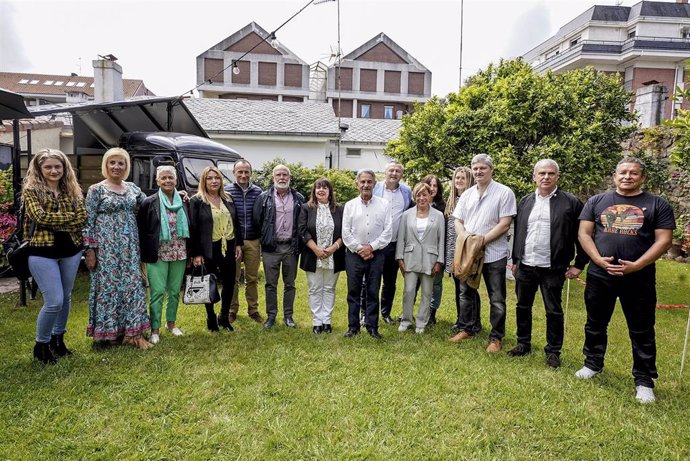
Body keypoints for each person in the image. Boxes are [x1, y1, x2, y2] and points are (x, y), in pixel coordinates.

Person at [576, 157, 674, 404]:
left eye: (633, 173)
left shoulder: (657, 204)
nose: (627, 177)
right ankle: (593, 363)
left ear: (642, 177)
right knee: (595, 323)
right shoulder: (597, 201)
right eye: (623, 172)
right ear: (614, 175)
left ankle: (644, 380)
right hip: (600, 275)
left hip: (638, 277)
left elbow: (664, 240)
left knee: (641, 329)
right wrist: (597, 260)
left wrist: (638, 265)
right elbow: (584, 233)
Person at [507, 159, 589, 368]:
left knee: (553, 310)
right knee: (522, 306)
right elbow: (518, 233)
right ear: (534, 177)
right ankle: (523, 343)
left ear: (557, 177)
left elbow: (583, 235)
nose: (546, 177)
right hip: (525, 265)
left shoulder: (571, 203)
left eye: (551, 173)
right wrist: (515, 259)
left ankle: (553, 351)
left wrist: (579, 263)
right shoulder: (525, 201)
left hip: (553, 268)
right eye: (541, 173)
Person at [84, 148, 152, 349]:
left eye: (121, 163)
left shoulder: (132, 188)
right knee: (108, 288)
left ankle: (130, 332)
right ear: (105, 165)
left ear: (126, 166)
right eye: (112, 162)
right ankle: (106, 334)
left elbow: (150, 204)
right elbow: (88, 221)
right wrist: (90, 250)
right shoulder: (97, 190)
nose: (116, 166)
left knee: (132, 287)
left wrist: (174, 193)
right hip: (106, 249)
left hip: (130, 248)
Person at [22, 149, 86, 364]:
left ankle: (58, 340)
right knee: (54, 301)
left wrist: (58, 219)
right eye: (48, 166)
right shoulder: (31, 191)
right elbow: (39, 217)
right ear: (39, 169)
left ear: (64, 167)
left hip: (71, 251)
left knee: (66, 297)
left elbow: (82, 219)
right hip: (42, 251)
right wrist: (69, 218)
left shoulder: (72, 190)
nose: (54, 170)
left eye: (57, 166)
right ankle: (41, 345)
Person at [449, 154, 516, 353]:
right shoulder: (467, 194)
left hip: (493, 253)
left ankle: (496, 337)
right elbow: (458, 220)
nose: (478, 172)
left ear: (491, 170)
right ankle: (466, 328)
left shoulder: (504, 192)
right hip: (468, 252)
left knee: (496, 297)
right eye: (475, 168)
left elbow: (505, 224)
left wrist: (481, 241)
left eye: (482, 168)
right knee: (465, 292)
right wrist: (467, 241)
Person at [137, 165, 190, 344]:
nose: (167, 181)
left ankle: (171, 324)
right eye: (164, 178)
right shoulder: (149, 202)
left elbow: (193, 226)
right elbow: (142, 231)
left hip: (179, 252)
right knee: (157, 292)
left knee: (175, 291)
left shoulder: (184, 200)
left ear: (176, 180)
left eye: (171, 178)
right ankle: (155, 329)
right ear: (157, 181)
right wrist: (141, 258)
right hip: (157, 253)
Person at [189, 166, 243, 332]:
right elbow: (194, 228)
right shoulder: (197, 200)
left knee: (229, 283)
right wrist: (196, 253)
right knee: (208, 284)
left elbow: (236, 222)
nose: (214, 181)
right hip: (208, 248)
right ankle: (211, 316)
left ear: (221, 180)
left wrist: (239, 244)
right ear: (203, 181)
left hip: (228, 245)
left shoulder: (228, 198)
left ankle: (224, 317)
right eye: (209, 178)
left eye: (217, 178)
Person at [342, 169, 392, 339]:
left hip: (376, 254)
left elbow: (387, 232)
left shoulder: (384, 204)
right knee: (353, 292)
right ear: (357, 184)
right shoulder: (349, 205)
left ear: (374, 184)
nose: (366, 185)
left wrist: (371, 247)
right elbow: (345, 233)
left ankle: (372, 327)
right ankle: (353, 326)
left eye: (369, 182)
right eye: (362, 182)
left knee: (373, 291)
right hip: (354, 255)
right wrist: (360, 249)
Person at [253, 164, 304, 329]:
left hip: (290, 248)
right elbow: (257, 221)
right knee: (270, 284)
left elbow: (302, 223)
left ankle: (288, 317)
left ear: (289, 178)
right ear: (273, 177)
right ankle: (271, 316)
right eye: (278, 175)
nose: (282, 178)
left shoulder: (299, 198)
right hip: (271, 248)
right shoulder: (263, 197)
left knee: (290, 284)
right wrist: (265, 239)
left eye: (285, 175)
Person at [298, 178, 345, 334]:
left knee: (329, 288)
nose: (321, 190)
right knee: (315, 288)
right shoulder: (306, 208)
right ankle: (317, 321)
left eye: (325, 187)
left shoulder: (339, 209)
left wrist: (333, 247)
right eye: (318, 187)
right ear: (314, 190)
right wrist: (316, 249)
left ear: (330, 191)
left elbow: (345, 232)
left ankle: (327, 321)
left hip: (334, 255)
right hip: (312, 255)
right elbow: (302, 230)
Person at [396, 183, 445, 334]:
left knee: (427, 292)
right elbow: (401, 239)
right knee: (409, 291)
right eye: (418, 195)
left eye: (425, 195)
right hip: (410, 258)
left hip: (430, 260)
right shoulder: (407, 215)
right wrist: (400, 258)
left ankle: (421, 323)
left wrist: (439, 261)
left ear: (430, 196)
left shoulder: (439, 215)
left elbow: (441, 240)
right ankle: (406, 320)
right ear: (414, 197)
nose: (421, 198)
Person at [371, 161, 412, 324]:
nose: (394, 173)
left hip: (395, 243)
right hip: (376, 243)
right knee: (372, 279)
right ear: (384, 172)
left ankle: (385, 313)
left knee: (390, 281)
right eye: (391, 170)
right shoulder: (376, 189)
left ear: (402, 174)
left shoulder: (406, 191)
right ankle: (366, 313)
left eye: (398, 171)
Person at [225, 160, 264, 325]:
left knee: (252, 278)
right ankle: (232, 310)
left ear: (251, 173)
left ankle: (253, 310)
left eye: (246, 172)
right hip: (234, 242)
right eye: (240, 172)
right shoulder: (226, 191)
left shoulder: (258, 192)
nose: (243, 175)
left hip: (254, 241)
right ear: (234, 173)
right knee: (232, 278)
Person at [444, 166, 476, 333]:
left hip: (467, 250)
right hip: (452, 250)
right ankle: (461, 318)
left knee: (468, 288)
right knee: (459, 287)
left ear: (470, 180)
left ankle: (470, 322)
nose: (459, 181)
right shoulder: (452, 201)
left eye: (463, 178)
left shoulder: (472, 199)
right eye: (457, 178)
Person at [421, 174, 446, 325]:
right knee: (416, 284)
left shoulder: (444, 208)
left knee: (435, 284)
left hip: (436, 252)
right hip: (418, 253)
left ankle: (432, 313)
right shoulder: (415, 205)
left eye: (435, 185)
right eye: (428, 184)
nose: (431, 188)